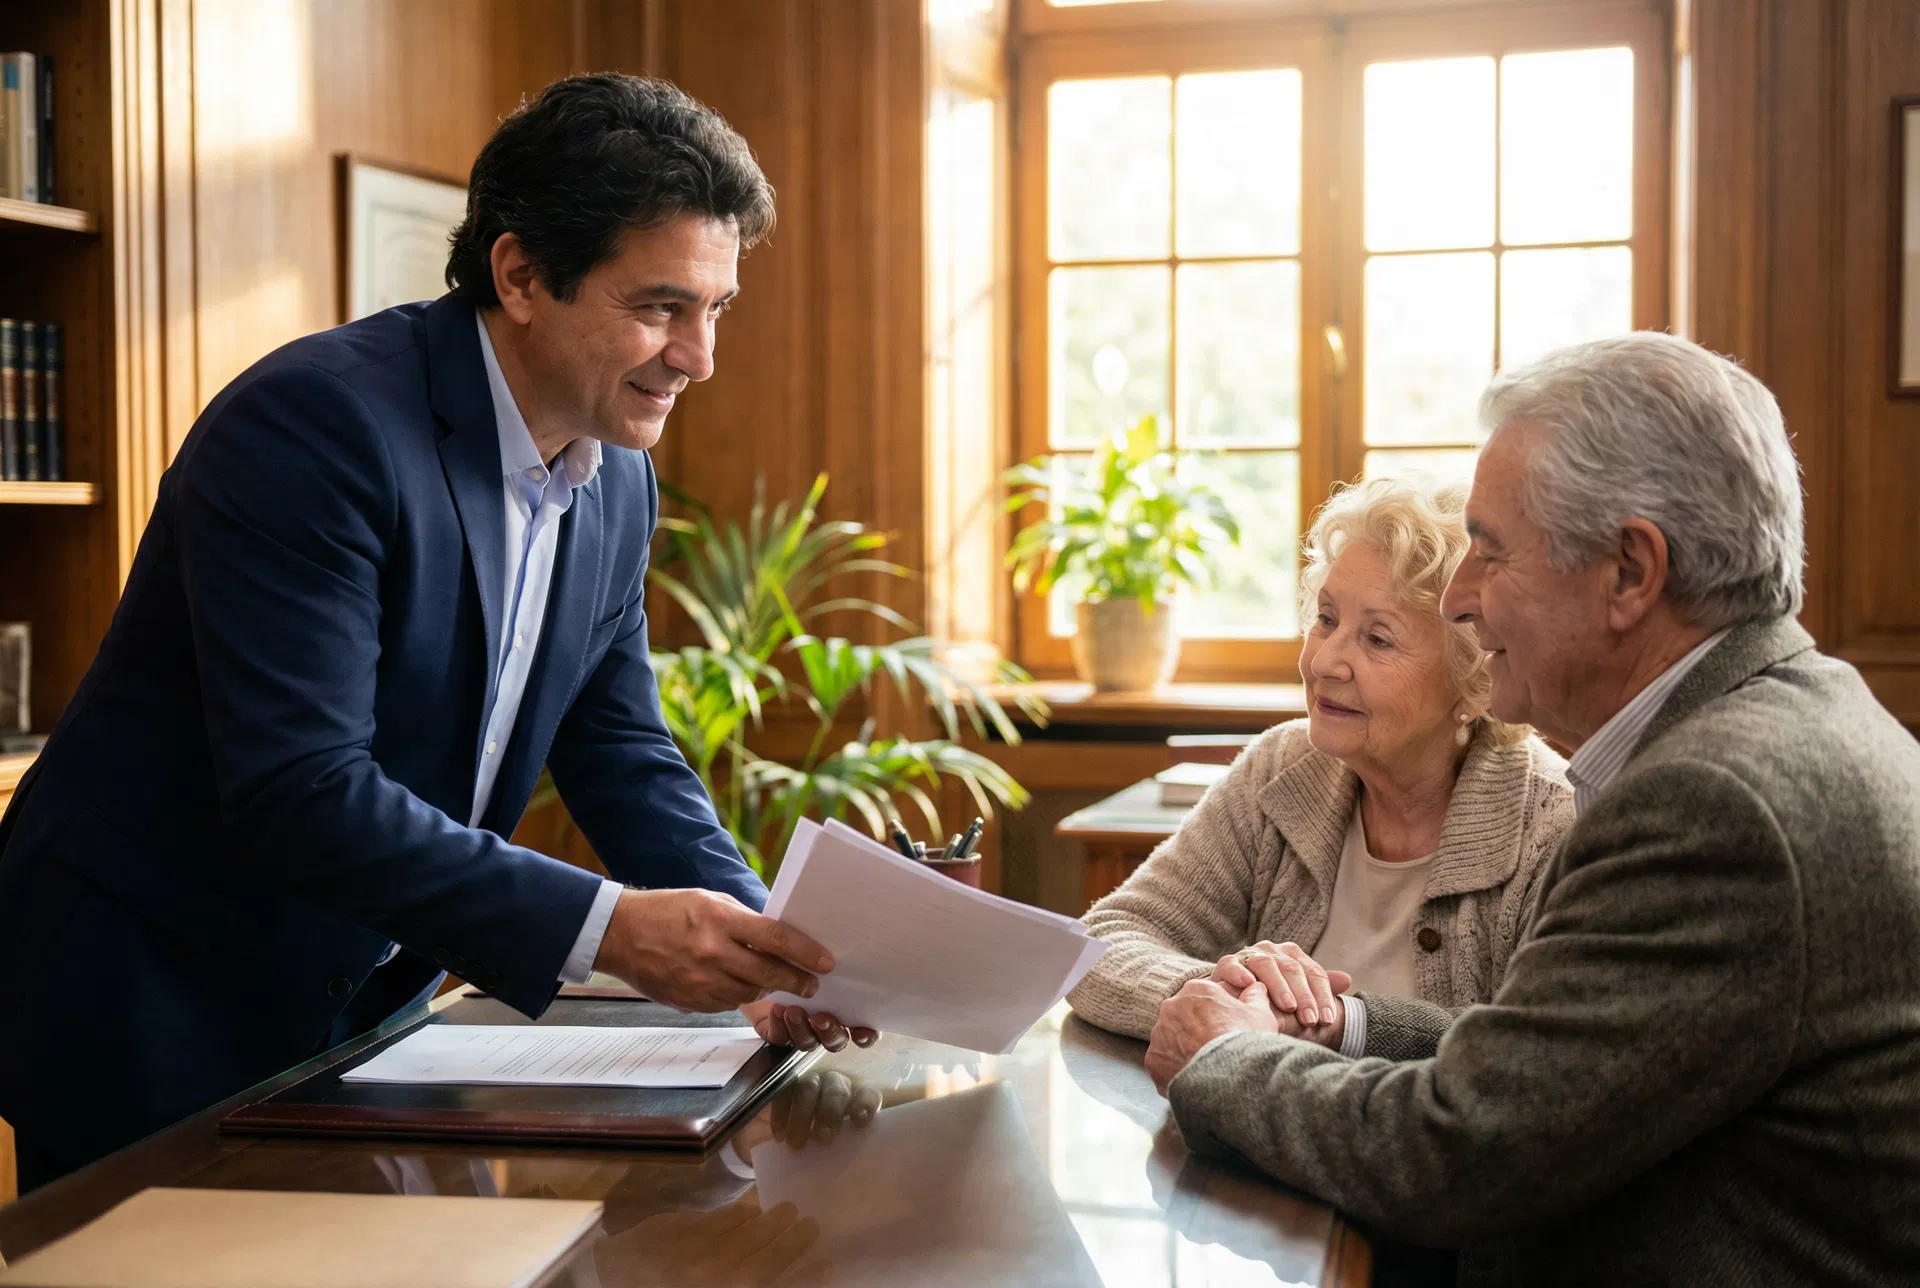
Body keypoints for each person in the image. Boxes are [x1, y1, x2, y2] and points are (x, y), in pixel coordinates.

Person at [0, 74, 864, 1193]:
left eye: (716, 309)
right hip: (150, 1001)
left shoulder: (617, 477)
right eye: (660, 307)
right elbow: (302, 790)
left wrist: (762, 942)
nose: (697, 355)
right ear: (520, 276)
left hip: (370, 1006)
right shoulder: (316, 425)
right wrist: (611, 930)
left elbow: (617, 746)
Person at [1146, 332, 1920, 1282]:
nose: (1460, 599)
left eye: (1491, 551)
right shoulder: (1796, 718)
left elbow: (1459, 1152)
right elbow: (1542, 1068)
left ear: (1629, 572)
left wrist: (1225, 1059)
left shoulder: (1714, 803)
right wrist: (1341, 1026)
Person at [1068, 476, 1573, 1056]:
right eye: (1327, 619)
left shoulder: (1553, 830)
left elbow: (1535, 1054)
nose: (1326, 661)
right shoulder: (1283, 769)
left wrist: (1334, 1020)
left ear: (1474, 678)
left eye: (1378, 640)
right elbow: (1099, 944)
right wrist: (1223, 997)